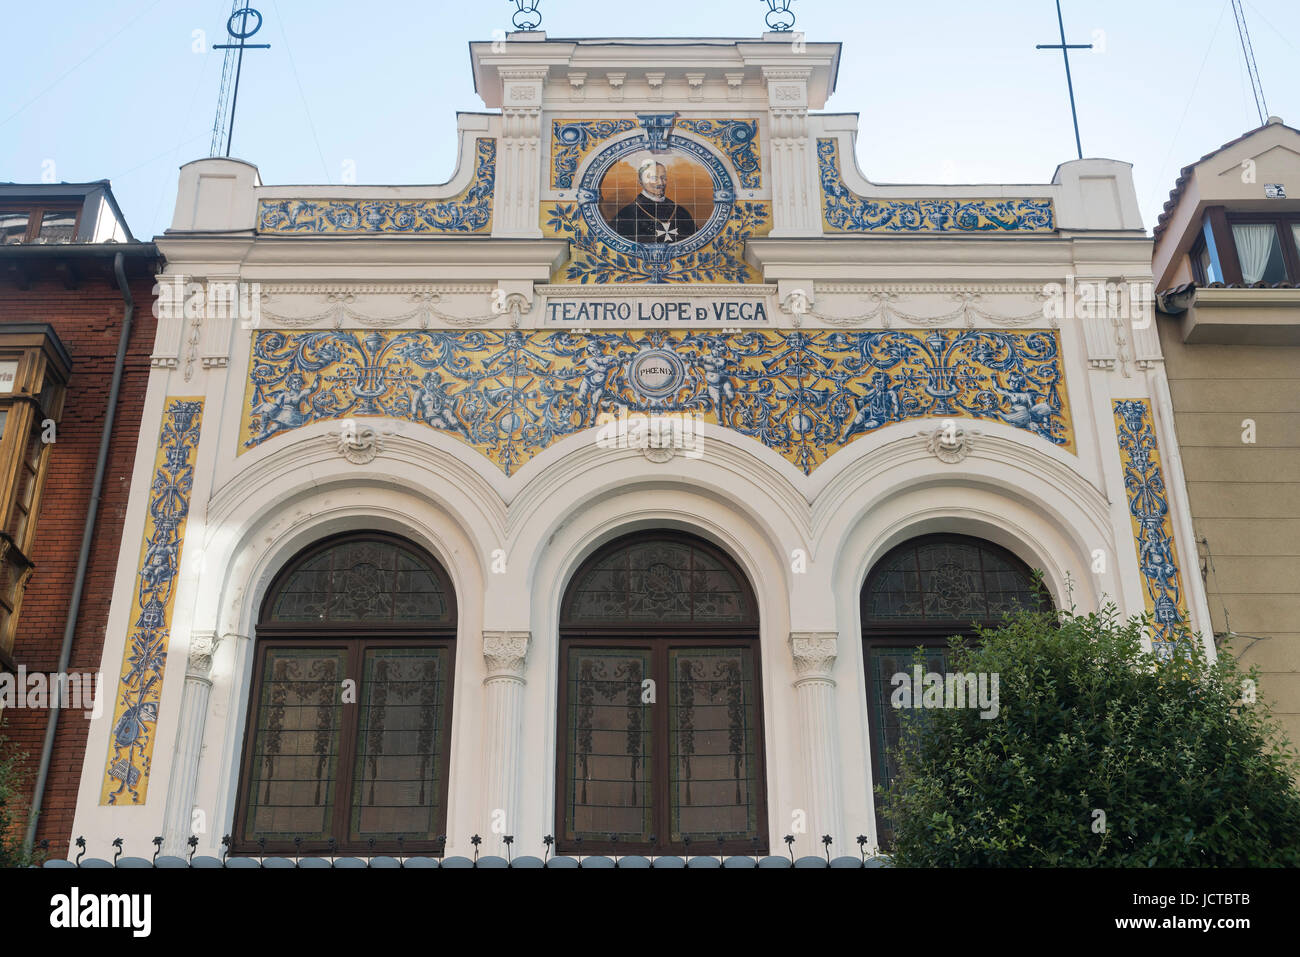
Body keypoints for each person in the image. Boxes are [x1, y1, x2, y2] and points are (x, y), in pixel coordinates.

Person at [609, 158, 697, 244]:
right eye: (654, 178)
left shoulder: (680, 211)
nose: (660, 183)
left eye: (663, 178)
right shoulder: (626, 214)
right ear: (641, 182)